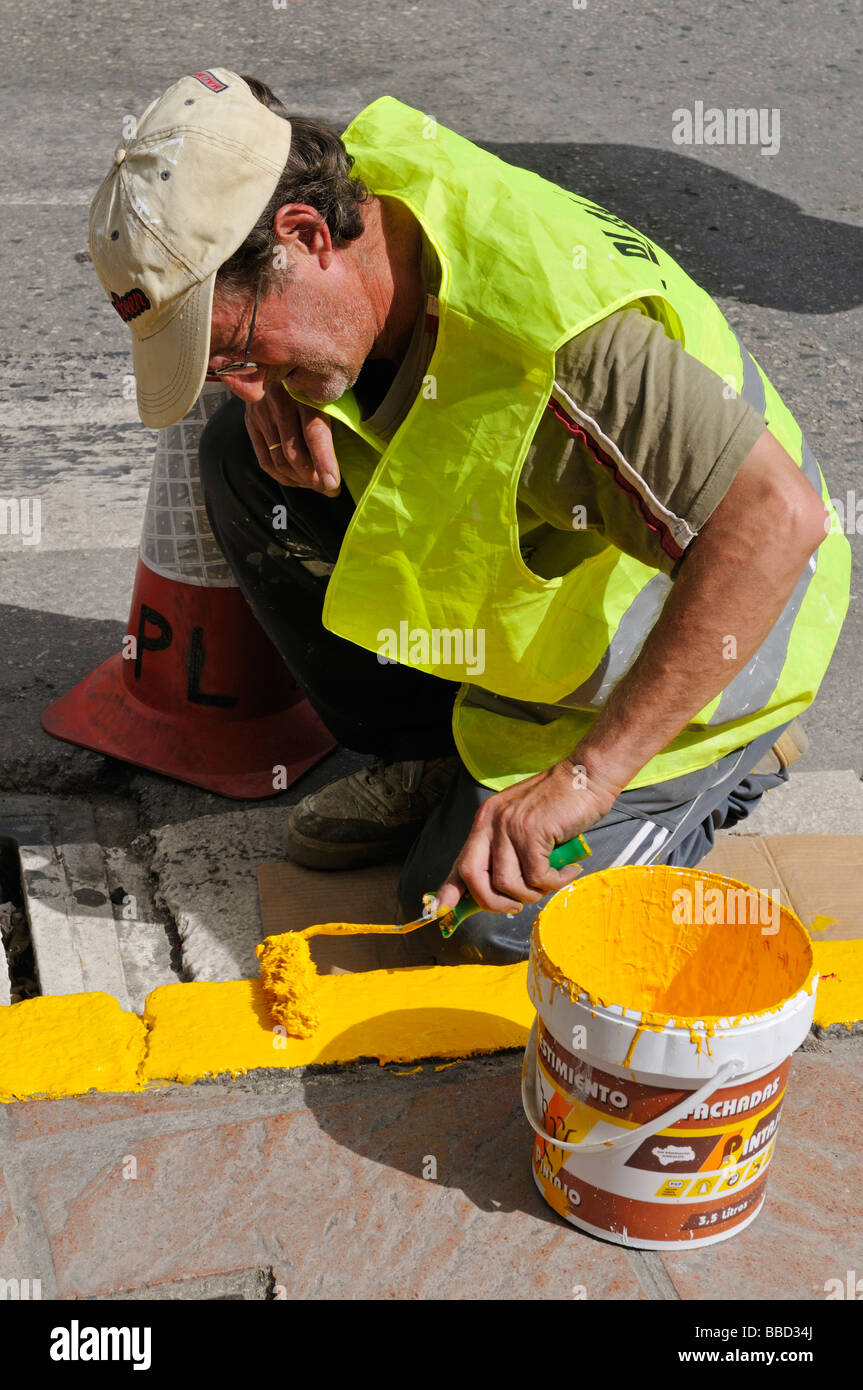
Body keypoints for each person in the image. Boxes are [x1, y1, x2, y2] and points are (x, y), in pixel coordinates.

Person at [89, 68, 850, 964]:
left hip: (722, 644)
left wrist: (584, 777)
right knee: (236, 454)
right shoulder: (350, 196)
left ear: (302, 238)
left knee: (482, 926)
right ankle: (437, 755)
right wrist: (276, 381)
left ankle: (720, 770)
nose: (247, 379)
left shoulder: (558, 353)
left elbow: (774, 523)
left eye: (239, 347)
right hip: (545, 633)